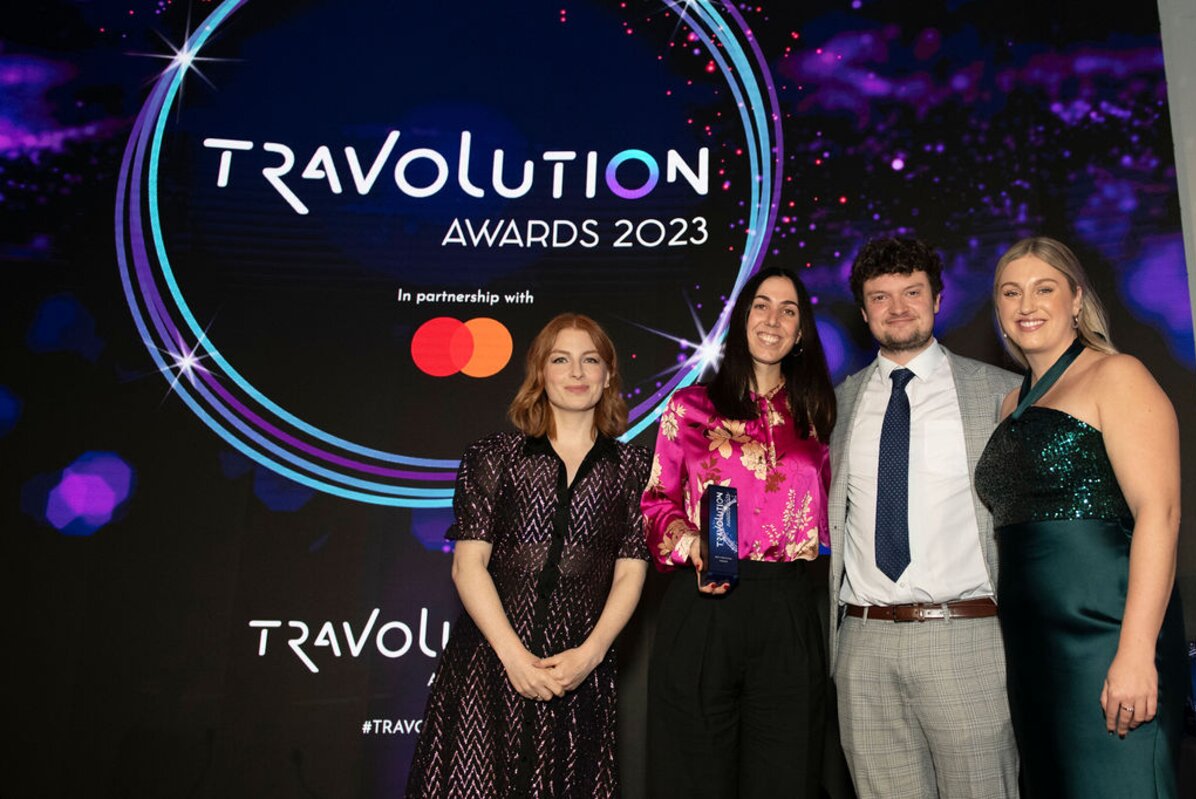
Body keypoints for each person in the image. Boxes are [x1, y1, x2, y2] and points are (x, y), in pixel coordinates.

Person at [974, 236, 1186, 798]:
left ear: (1075, 299)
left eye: (1043, 288)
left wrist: (1136, 652)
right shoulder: (1010, 404)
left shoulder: (1118, 374)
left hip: (1107, 635)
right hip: (1034, 652)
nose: (1026, 305)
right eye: (1010, 293)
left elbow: (1160, 514)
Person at [406, 313, 651, 798]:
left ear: (608, 376)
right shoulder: (494, 456)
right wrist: (514, 658)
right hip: (489, 667)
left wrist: (590, 656)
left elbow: (630, 572)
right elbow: (467, 566)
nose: (576, 372)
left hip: (578, 674)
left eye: (590, 360)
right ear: (540, 372)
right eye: (561, 360)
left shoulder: (634, 468)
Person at [826, 237, 1020, 799]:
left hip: (967, 637)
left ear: (937, 298)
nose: (897, 307)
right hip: (863, 644)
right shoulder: (836, 405)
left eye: (912, 292)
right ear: (863, 312)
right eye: (880, 297)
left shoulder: (1001, 394)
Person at [641, 266, 837, 798]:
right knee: (692, 778)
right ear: (742, 317)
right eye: (761, 306)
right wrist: (691, 543)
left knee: (787, 777)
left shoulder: (819, 413)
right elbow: (656, 501)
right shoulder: (689, 407)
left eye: (788, 310)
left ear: (801, 331)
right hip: (705, 603)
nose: (773, 320)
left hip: (788, 605)